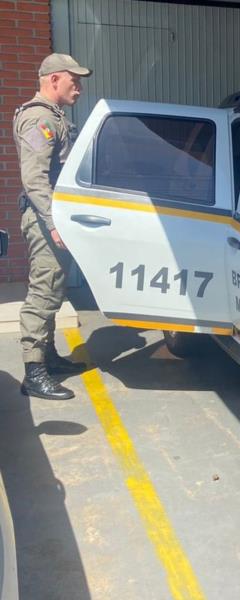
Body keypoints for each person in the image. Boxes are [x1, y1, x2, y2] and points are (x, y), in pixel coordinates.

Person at [13, 53, 92, 400]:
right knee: (43, 292)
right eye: (74, 80)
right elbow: (35, 179)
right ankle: (34, 372)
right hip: (46, 216)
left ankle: (49, 357)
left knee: (55, 289)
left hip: (54, 215)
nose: (79, 87)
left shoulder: (54, 117)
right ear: (54, 79)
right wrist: (53, 223)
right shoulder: (38, 119)